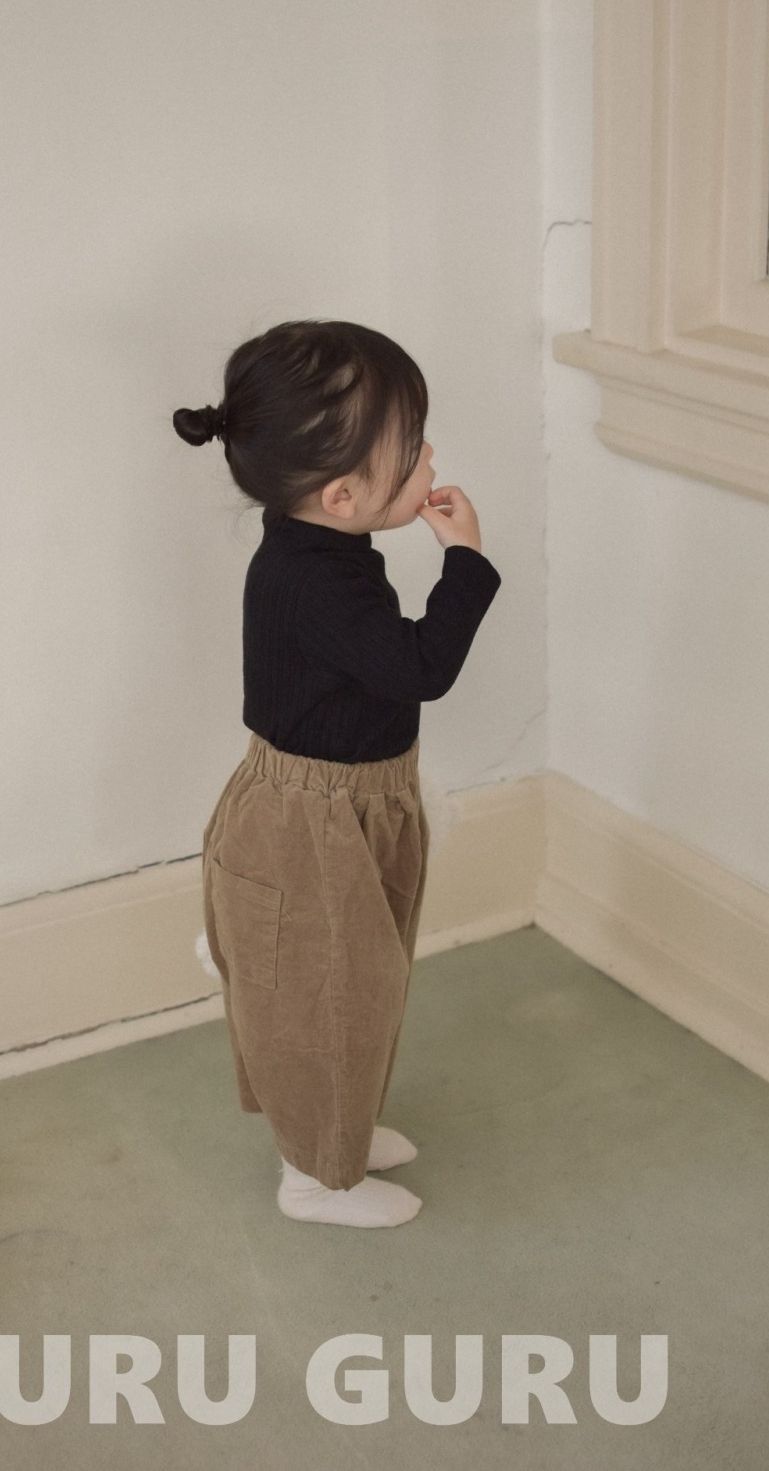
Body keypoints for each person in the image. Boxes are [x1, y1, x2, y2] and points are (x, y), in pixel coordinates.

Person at [174, 320, 502, 1228]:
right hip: (310, 823)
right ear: (345, 494)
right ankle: (314, 1176)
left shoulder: (321, 549)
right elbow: (420, 667)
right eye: (413, 447)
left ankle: (340, 1127)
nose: (431, 457)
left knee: (365, 982)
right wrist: (466, 562)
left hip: (355, 803)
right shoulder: (316, 583)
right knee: (325, 996)